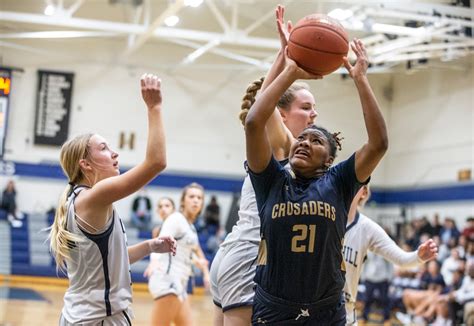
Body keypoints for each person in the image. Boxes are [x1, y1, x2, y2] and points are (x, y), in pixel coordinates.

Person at [245, 36, 388, 324]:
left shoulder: (340, 181)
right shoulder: (272, 180)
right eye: (300, 138)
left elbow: (379, 144)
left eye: (316, 141)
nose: (304, 142)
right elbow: (253, 123)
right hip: (274, 307)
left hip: (326, 308)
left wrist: (360, 79)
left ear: (330, 159)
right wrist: (291, 72)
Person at [210, 6, 318, 326]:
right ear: (281, 114)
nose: (314, 115)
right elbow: (261, 104)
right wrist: (284, 57)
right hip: (249, 256)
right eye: (306, 108)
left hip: (241, 252)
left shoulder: (293, 153)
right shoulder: (280, 144)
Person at [48, 74, 177, 325]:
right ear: (85, 164)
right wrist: (154, 107)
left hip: (79, 317)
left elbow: (108, 262)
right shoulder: (93, 197)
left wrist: (150, 246)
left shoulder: (76, 201)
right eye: (104, 148)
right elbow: (156, 162)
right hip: (99, 319)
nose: (115, 153)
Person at [343, 185, 438, 325]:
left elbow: (401, 259)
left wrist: (418, 256)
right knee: (368, 300)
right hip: (313, 309)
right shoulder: (323, 220)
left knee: (384, 301)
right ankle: (365, 317)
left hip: (346, 313)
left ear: (363, 192)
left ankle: (386, 319)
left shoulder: (368, 229)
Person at [147, 182, 210, 326]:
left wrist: (196, 261)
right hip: (167, 280)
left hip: (180, 283)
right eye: (192, 196)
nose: (195, 200)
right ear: (183, 201)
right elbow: (160, 242)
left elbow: (182, 251)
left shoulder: (191, 227)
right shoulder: (175, 219)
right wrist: (154, 261)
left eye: (199, 198)